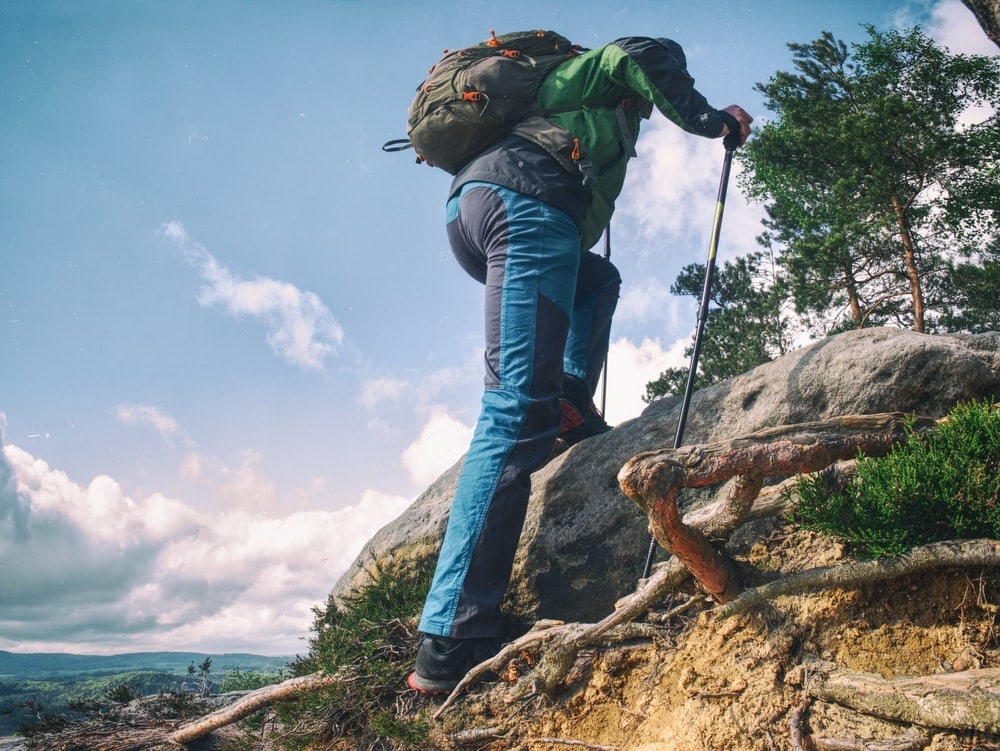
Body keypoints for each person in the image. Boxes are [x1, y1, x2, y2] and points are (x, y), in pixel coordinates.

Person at [407, 35, 753, 694]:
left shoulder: (588, 110)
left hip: (490, 207)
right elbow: (636, 55)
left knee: (598, 282)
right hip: (524, 205)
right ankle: (452, 637)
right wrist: (711, 120)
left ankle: (568, 397)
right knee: (513, 412)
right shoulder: (590, 72)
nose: (654, 105)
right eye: (663, 87)